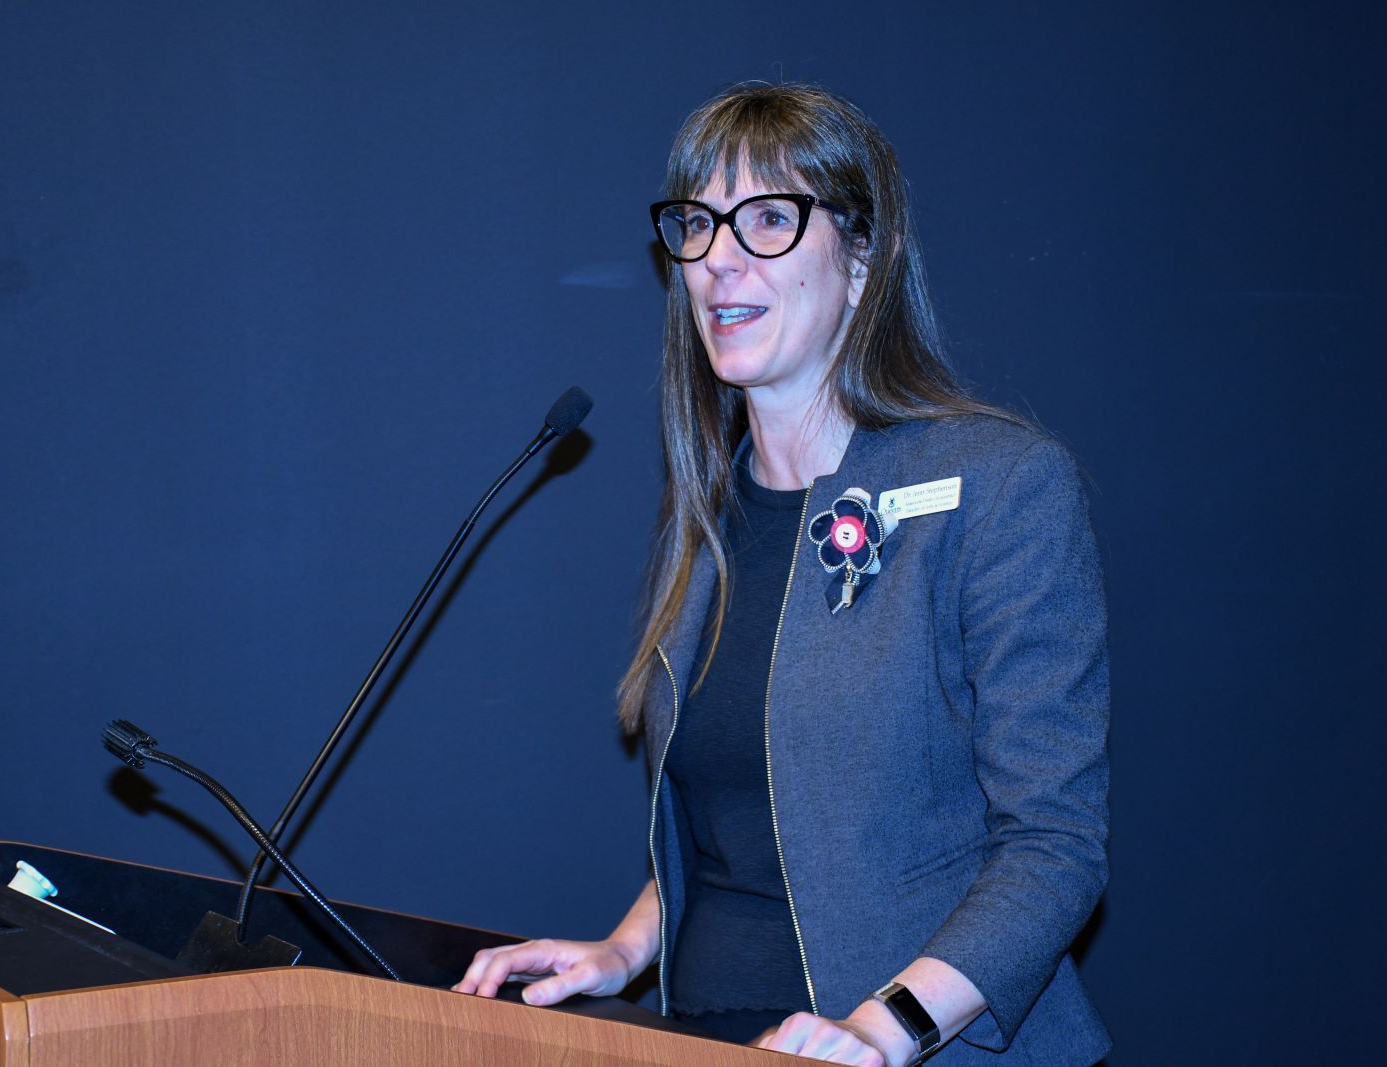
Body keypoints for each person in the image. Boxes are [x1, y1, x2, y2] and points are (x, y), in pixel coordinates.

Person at [454, 82, 1110, 1066]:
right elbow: (738, 825)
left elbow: (1053, 851)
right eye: (698, 224)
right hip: (712, 1035)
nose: (719, 258)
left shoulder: (999, 486)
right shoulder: (709, 515)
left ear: (859, 257)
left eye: (767, 218)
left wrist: (878, 1030)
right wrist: (623, 949)